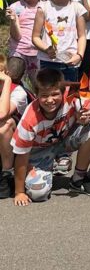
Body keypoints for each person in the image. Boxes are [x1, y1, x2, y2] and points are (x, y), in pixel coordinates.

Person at [11, 67, 90, 203]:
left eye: (55, 94)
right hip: (38, 151)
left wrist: (87, 118)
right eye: (44, 96)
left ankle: (77, 180)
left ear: (63, 91)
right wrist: (19, 192)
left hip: (63, 141)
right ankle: (44, 170)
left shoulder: (74, 97)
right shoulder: (30, 118)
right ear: (37, 95)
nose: (50, 100)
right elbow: (21, 156)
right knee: (38, 194)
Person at [32, 0, 87, 86]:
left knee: (68, 95)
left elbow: (82, 36)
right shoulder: (43, 8)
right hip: (48, 61)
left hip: (70, 62)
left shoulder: (77, 8)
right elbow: (35, 37)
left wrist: (79, 55)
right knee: (47, 93)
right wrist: (47, 49)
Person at [5, 0, 45, 84]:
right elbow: (16, 36)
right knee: (11, 78)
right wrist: (13, 20)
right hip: (18, 52)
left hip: (38, 54)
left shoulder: (46, 6)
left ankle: (30, 94)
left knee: (40, 86)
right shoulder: (16, 7)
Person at [0, 57, 30, 199]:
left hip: (14, 142)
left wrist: (7, 82)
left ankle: (7, 172)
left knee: (5, 125)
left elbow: (2, 114)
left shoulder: (18, 92)